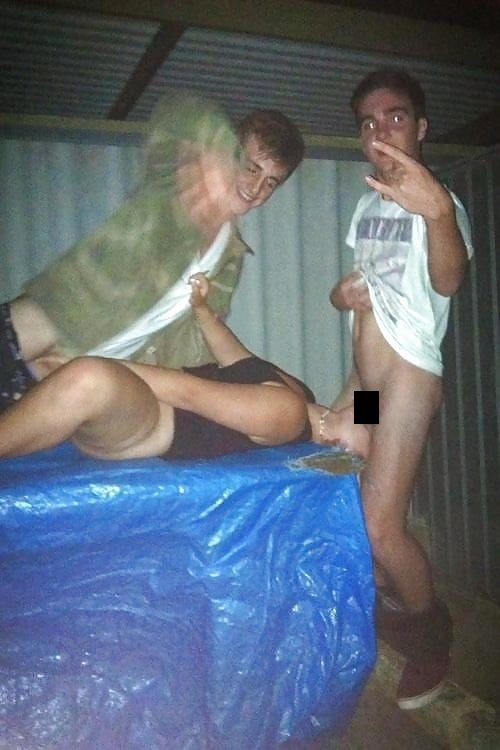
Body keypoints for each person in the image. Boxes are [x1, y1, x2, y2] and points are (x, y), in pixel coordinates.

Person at [0, 96, 305, 412]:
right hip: (35, 331)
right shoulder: (177, 191)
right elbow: (178, 113)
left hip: (71, 378)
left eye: (270, 183)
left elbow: (197, 341)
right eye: (251, 168)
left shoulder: (231, 258)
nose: (255, 189)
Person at [329, 68, 473, 710]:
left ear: (420, 128)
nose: (380, 130)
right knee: (337, 481)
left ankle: (431, 638)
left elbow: (448, 280)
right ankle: (390, 594)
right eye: (368, 122)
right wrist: (339, 295)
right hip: (366, 383)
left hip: (407, 383)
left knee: (380, 524)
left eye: (395, 117)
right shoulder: (367, 206)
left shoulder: (439, 203)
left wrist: (436, 209)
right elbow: (361, 289)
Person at [0, 273, 370, 462]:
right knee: (57, 328)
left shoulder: (287, 415)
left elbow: (186, 393)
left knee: (88, 379)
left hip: (145, 426)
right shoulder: (304, 395)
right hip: (149, 401)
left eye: (375, 434)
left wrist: (84, 362)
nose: (377, 419)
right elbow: (241, 362)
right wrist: (202, 311)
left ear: (347, 450)